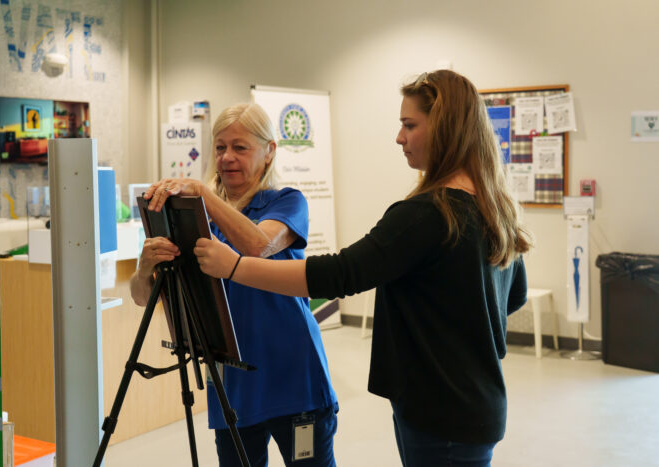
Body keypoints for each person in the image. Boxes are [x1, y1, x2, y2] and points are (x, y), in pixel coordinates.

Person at [193, 70, 532, 467]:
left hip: (438, 410)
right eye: (220, 148)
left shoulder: (427, 214)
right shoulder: (492, 209)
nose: (399, 137)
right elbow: (513, 296)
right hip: (476, 402)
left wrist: (235, 267)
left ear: (446, 128)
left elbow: (341, 273)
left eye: (409, 125)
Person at [130, 103, 338, 467]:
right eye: (220, 147)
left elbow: (258, 245)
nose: (227, 158)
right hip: (233, 383)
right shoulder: (190, 216)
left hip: (293, 376)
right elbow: (143, 298)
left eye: (240, 148)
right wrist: (144, 268)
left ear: (269, 151)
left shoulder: (286, 202)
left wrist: (203, 196)